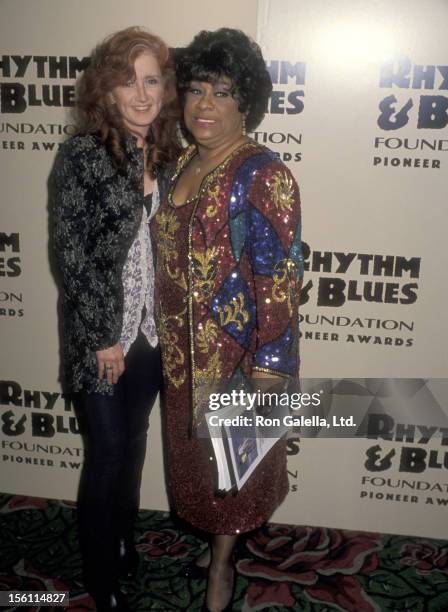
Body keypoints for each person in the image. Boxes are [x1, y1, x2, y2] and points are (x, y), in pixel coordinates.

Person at [153, 28, 303, 611]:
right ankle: (216, 545)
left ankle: (221, 566)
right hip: (182, 360)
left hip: (239, 365)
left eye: (222, 91)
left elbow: (281, 281)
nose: (204, 105)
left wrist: (271, 372)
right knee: (199, 471)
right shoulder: (183, 161)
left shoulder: (262, 175)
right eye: (194, 90)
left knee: (231, 474)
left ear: (247, 103)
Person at [52, 27, 180, 612]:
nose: (141, 92)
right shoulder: (83, 154)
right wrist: (104, 337)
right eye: (128, 80)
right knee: (105, 455)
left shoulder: (170, 157)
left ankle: (124, 540)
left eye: (151, 79)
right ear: (105, 89)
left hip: (151, 338)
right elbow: (70, 254)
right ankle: (99, 576)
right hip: (102, 339)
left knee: (132, 446)